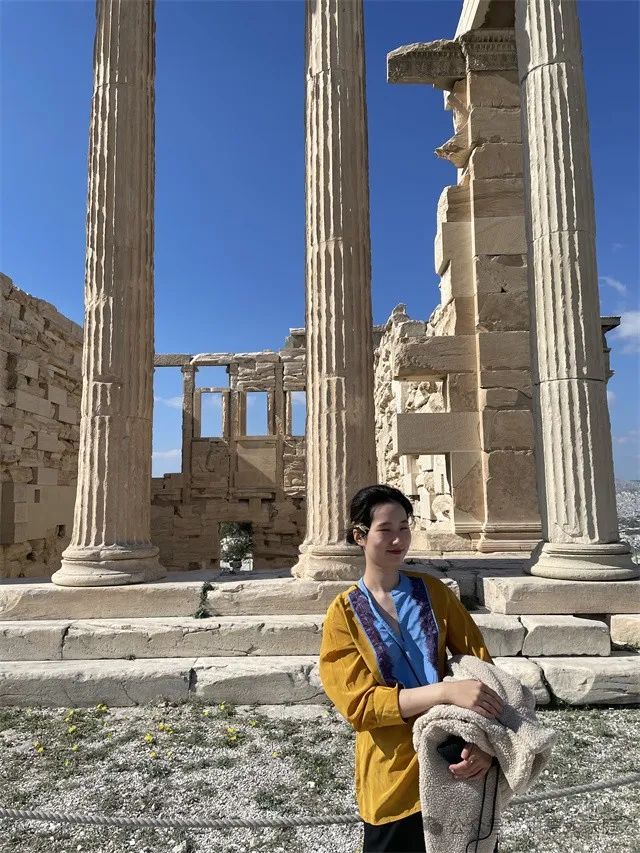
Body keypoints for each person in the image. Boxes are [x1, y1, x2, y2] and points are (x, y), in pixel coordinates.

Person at [319, 484, 504, 853]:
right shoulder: (343, 613)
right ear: (359, 536)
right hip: (393, 774)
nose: (398, 539)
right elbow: (361, 706)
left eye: (404, 527)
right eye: (385, 529)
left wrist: (485, 745)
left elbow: (481, 668)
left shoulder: (435, 592)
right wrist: (443, 692)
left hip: (456, 763)